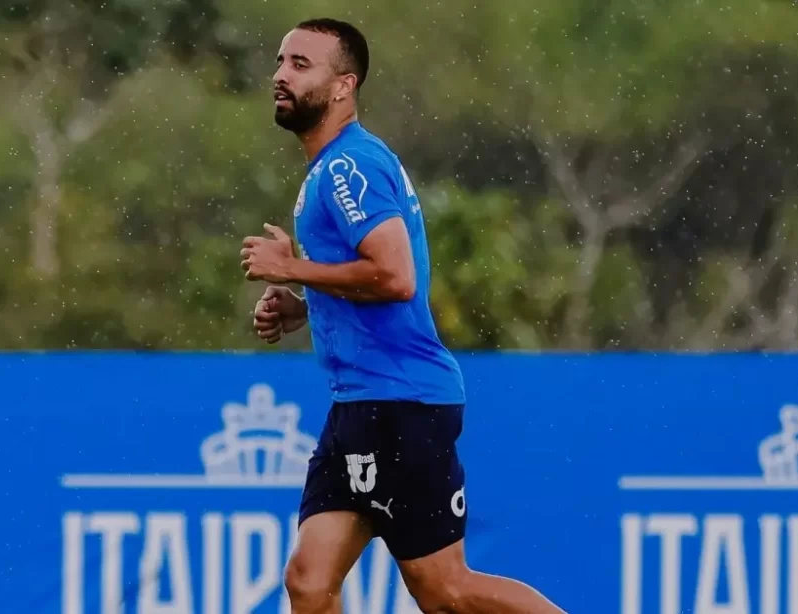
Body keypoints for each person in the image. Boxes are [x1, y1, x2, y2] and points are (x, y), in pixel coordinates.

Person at [239, 18, 567, 614]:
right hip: (357, 408)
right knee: (309, 582)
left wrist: (291, 271)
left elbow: (394, 276)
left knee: (446, 592)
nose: (280, 75)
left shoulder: (347, 168)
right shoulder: (336, 167)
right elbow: (373, 281)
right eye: (282, 61)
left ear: (344, 86)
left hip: (401, 406)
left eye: (301, 65)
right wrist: (303, 307)